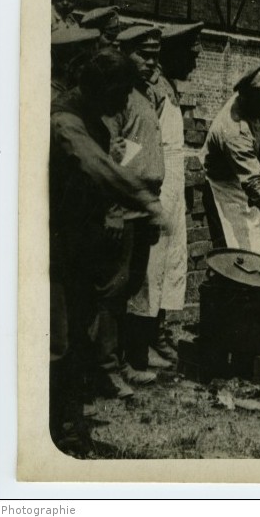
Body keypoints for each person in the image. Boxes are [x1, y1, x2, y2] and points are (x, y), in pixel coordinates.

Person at [50, 49, 165, 449]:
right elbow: (96, 167)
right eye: (120, 96)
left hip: (79, 243)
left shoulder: (90, 115)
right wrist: (142, 201)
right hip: (54, 246)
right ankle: (56, 433)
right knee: (59, 342)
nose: (123, 105)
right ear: (104, 90)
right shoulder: (65, 121)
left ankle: (68, 421)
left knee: (77, 335)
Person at [127, 22, 204, 368]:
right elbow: (136, 139)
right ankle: (141, 341)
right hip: (156, 181)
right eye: (191, 54)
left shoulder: (168, 87)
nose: (196, 60)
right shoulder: (151, 89)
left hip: (172, 180)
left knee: (171, 258)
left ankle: (158, 332)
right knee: (151, 263)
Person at [104, 24, 167, 385]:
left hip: (145, 205)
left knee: (130, 288)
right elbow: (110, 154)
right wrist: (114, 207)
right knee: (116, 287)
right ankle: (107, 369)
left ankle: (122, 362)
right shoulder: (118, 96)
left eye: (154, 56)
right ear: (124, 53)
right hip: (124, 206)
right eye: (142, 55)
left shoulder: (144, 95)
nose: (149, 62)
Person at [203, 64, 260, 257]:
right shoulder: (232, 129)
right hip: (226, 187)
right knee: (241, 251)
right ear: (246, 98)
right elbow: (254, 184)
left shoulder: (258, 104)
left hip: (247, 179)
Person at [51, 26, 101, 101]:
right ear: (66, 65)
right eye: (82, 62)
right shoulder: (54, 96)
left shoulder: (69, 88)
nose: (86, 68)